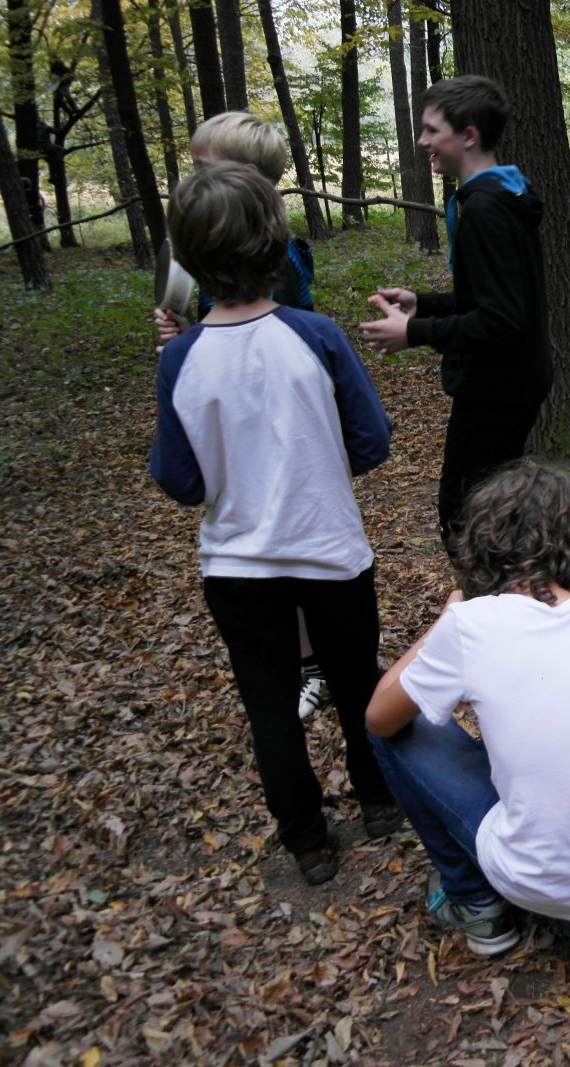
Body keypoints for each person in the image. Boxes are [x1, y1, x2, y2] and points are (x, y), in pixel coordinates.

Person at [149, 163, 401, 886]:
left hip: (237, 569)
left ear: (188, 257)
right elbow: (372, 442)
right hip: (330, 551)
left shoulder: (181, 359)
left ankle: (309, 843)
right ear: (276, 242)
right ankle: (380, 802)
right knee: (356, 682)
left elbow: (180, 481)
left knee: (270, 706)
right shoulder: (315, 335)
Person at [365, 461, 570, 957]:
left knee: (391, 730)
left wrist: (446, 617)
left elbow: (380, 716)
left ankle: (475, 903)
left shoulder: (469, 624)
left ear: (483, 546)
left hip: (538, 877)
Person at [152, 111, 327, 723]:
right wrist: (186, 336)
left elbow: (269, 341)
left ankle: (312, 663)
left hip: (277, 427)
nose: (192, 180)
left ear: (247, 175)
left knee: (289, 549)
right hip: (250, 425)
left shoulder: (274, 259)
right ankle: (304, 659)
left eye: (204, 168)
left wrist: (194, 347)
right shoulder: (229, 252)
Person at [360, 75, 553, 553]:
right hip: (512, 381)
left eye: (432, 130)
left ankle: (499, 595)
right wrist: (423, 303)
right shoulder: (502, 196)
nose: (422, 141)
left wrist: (415, 332)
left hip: (497, 389)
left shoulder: (486, 210)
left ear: (468, 135)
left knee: (466, 519)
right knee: (493, 514)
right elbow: (495, 297)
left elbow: (502, 320)